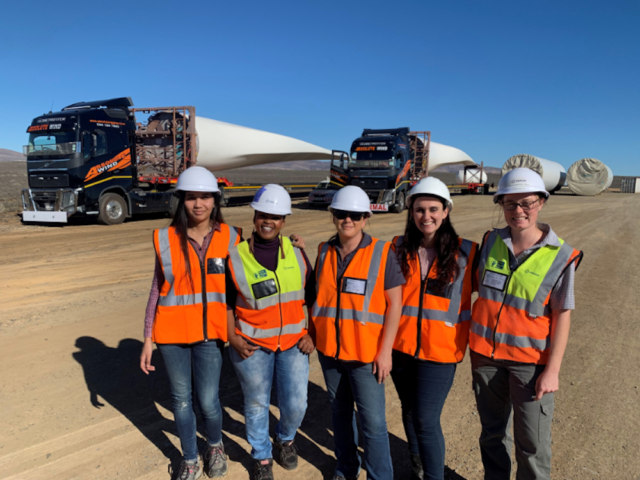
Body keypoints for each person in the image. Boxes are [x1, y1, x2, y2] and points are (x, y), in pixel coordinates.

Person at [470, 168, 583, 480]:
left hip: (530, 366)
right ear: (501, 204)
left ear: (542, 203)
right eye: (510, 204)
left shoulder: (560, 256)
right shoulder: (491, 241)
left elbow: (563, 315)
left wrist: (553, 371)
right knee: (492, 435)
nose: (518, 211)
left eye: (527, 203)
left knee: (532, 444)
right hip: (486, 359)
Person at [139, 166, 242, 480]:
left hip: (211, 334)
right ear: (181, 200)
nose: (199, 204)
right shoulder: (165, 238)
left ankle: (214, 445)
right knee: (181, 401)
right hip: (170, 335)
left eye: (205, 197)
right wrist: (147, 338)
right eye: (191, 197)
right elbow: (157, 288)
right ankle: (190, 458)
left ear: (215, 199)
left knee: (209, 402)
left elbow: (244, 284)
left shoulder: (231, 236)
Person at [310, 185, 404, 480]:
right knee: (339, 415)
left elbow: (395, 305)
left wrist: (386, 351)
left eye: (354, 215)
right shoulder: (324, 251)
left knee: (373, 424)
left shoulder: (382, 252)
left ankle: (380, 476)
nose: (346, 220)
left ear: (365, 219)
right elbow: (318, 299)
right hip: (331, 353)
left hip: (366, 356)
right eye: (340, 214)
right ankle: (346, 468)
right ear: (333, 216)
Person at [390, 177, 478, 480]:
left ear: (446, 211)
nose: (426, 216)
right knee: (409, 409)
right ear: (411, 212)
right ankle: (416, 458)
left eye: (433, 209)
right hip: (400, 349)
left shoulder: (468, 254)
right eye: (419, 210)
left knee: (427, 419)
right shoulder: (396, 249)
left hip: (440, 353)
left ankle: (433, 476)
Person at [225, 184, 314, 480]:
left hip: (292, 343)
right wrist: (232, 336)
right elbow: (224, 302)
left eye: (276, 217)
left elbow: (313, 297)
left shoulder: (297, 253)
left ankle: (285, 439)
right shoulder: (235, 257)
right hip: (251, 344)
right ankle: (262, 456)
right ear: (254, 215)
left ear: (284, 221)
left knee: (295, 403)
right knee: (256, 403)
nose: (269, 221)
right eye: (263, 214)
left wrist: (311, 332)